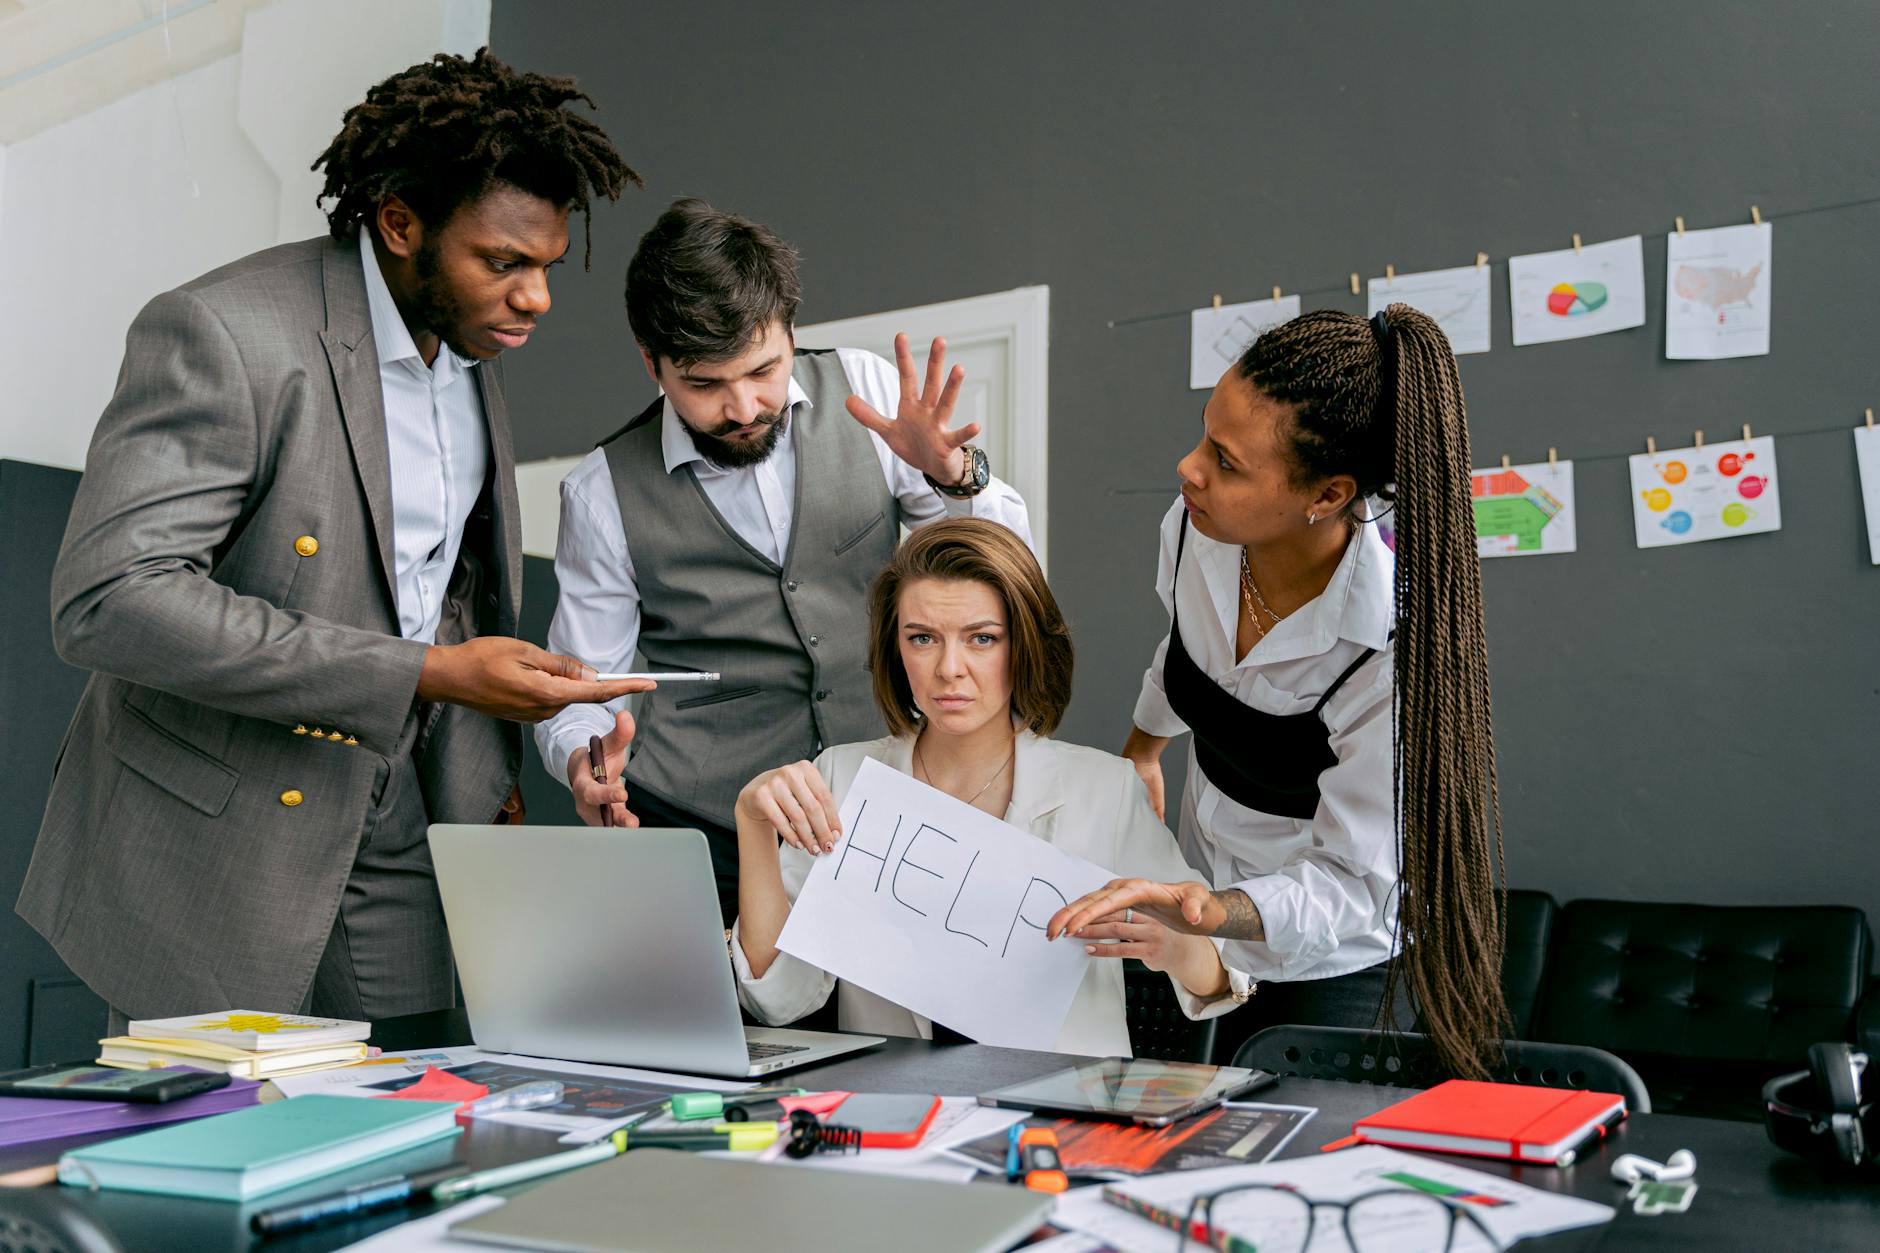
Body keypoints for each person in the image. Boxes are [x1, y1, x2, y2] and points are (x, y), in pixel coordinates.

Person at [17, 50, 647, 1028]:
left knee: (402, 1131)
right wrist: (427, 672)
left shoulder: (470, 345)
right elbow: (110, 599)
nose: (537, 299)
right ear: (401, 222)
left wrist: (493, 764)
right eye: (504, 263)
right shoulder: (224, 331)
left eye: (546, 267)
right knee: (219, 1150)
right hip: (216, 844)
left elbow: (450, 577)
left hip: (404, 827)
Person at [534, 200, 1032, 924]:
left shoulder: (870, 395)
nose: (741, 406)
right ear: (653, 363)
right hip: (705, 834)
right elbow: (584, 688)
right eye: (705, 384)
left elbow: (1003, 577)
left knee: (894, 1035)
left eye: (763, 369)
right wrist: (586, 764)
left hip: (889, 810)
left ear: (792, 333)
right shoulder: (601, 491)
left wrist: (955, 476)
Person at [1049, 307, 1509, 1078]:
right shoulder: (1200, 529)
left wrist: (1212, 910)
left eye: (1226, 463)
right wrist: (1142, 749)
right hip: (1219, 923)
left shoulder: (1384, 654)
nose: (1188, 468)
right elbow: (1183, 653)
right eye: (1204, 435)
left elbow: (1352, 884)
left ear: (1325, 495)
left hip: (1340, 961)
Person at [730, 519, 1251, 1056]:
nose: (949, 669)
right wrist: (752, 825)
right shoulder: (842, 777)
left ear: (1022, 645)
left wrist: (1176, 948)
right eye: (922, 638)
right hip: (901, 1120)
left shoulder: (1107, 790)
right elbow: (779, 1000)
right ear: (895, 649)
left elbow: (1218, 980)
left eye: (981, 639)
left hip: (1064, 1116)